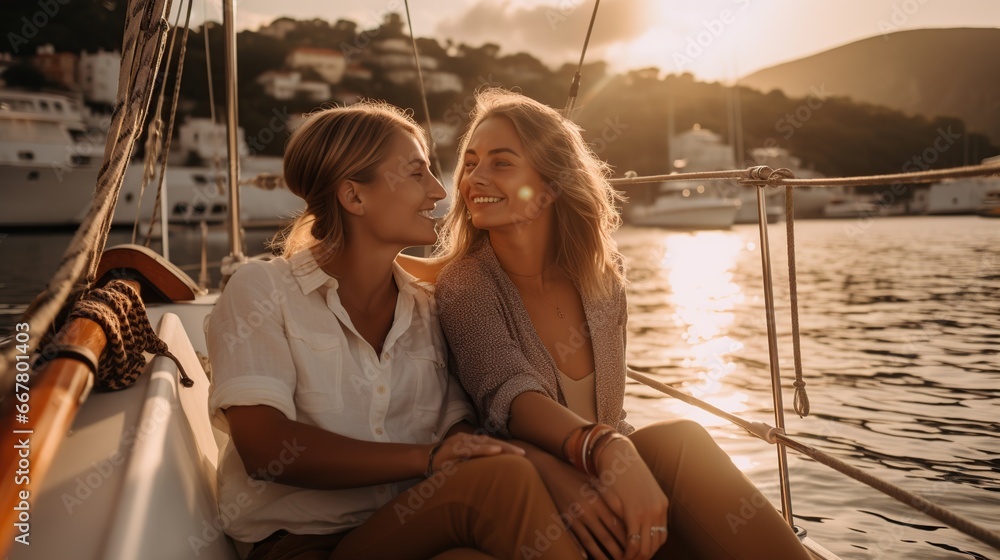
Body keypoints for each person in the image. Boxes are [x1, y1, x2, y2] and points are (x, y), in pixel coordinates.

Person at [424, 88, 813, 560]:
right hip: (529, 496)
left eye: (501, 163)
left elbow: (613, 416)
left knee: (680, 440)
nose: (472, 178)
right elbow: (508, 392)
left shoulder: (602, 283)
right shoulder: (467, 284)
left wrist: (621, 463)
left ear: (551, 182)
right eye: (470, 161)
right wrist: (605, 449)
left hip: (605, 474)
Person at [206, 101, 581, 560]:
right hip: (303, 545)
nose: (440, 193)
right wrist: (424, 460)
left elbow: (457, 434)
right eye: (416, 174)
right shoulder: (262, 292)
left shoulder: (427, 311)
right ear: (354, 197)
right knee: (505, 479)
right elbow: (264, 448)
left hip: (412, 529)